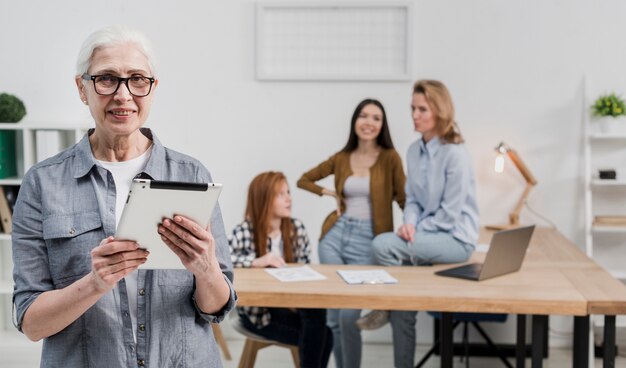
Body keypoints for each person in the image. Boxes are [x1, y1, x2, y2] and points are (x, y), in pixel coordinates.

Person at [11, 26, 236, 367]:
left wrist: (206, 270)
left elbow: (217, 307)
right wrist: (95, 282)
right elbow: (31, 322)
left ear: (152, 88)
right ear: (82, 88)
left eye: (137, 79)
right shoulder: (42, 184)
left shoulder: (191, 175)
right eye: (106, 79)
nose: (123, 94)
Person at [359, 80, 479, 368]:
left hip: (455, 240)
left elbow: (449, 215)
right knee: (404, 309)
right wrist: (409, 224)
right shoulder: (414, 151)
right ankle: (394, 308)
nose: (415, 115)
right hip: (426, 236)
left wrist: (414, 231)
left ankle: (383, 304)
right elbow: (412, 200)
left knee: (382, 244)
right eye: (413, 108)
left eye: (422, 109)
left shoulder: (456, 154)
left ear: (439, 111)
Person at [297, 99, 406, 368]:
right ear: (355, 121)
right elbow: (304, 179)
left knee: (348, 315)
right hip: (335, 236)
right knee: (333, 318)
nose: (369, 122)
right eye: (364, 116)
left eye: (376, 118)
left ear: (382, 125)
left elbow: (404, 199)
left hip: (369, 239)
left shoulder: (390, 157)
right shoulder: (342, 157)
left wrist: (413, 227)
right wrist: (328, 192)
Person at [229, 171, 332, 368]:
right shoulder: (245, 231)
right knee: (324, 336)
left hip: (292, 307)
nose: (289, 199)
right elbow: (220, 259)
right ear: (263, 198)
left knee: (320, 321)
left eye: (288, 192)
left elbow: (304, 268)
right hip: (259, 315)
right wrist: (256, 261)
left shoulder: (296, 229)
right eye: (280, 194)